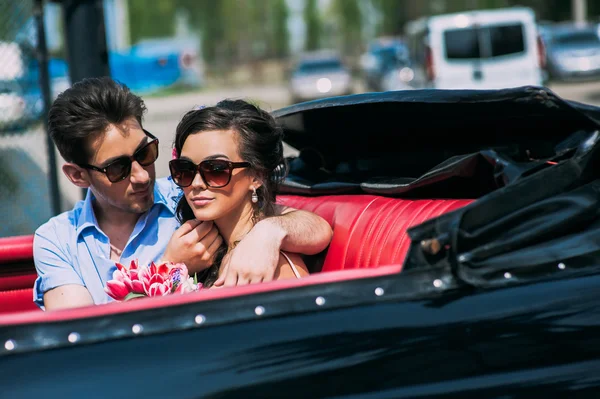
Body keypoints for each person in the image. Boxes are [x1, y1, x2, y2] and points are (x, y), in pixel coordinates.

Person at [33, 77, 332, 311]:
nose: (141, 175)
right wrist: (169, 268)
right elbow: (81, 340)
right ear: (78, 176)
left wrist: (270, 231)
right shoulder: (56, 240)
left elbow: (308, 224)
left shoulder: (190, 198)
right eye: (118, 168)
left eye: (145, 153)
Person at [170, 100, 309, 287]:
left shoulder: (264, 263)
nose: (196, 183)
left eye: (216, 169)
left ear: (256, 176)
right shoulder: (201, 253)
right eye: (184, 169)